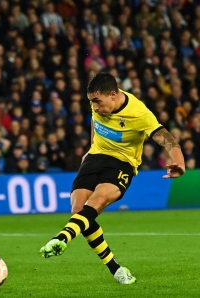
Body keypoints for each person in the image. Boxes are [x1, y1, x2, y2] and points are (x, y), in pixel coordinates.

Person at [38, 72, 186, 284]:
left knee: (97, 201)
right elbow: (94, 120)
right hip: (96, 157)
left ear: (113, 95)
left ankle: (61, 237)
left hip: (122, 163)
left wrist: (179, 164)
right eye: (92, 102)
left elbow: (169, 141)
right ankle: (115, 269)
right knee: (79, 212)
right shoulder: (97, 103)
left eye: (98, 101)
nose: (95, 106)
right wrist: (91, 147)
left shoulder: (139, 114)